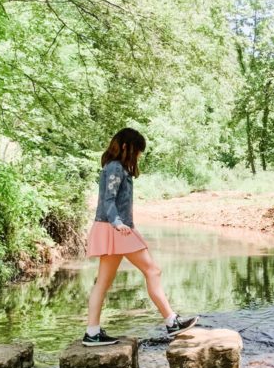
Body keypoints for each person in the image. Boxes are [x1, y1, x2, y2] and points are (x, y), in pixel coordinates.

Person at [83, 127, 197, 346]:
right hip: (115, 228)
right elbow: (108, 200)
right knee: (152, 270)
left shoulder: (115, 167)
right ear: (126, 146)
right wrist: (117, 223)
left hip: (113, 228)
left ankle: (92, 332)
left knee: (103, 283)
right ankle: (171, 322)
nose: (138, 156)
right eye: (137, 151)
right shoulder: (115, 167)